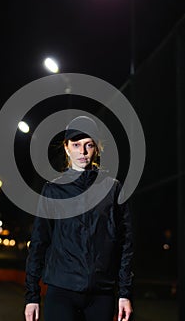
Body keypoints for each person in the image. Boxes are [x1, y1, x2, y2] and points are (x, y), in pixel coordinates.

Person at [24, 116, 134, 321]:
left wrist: (125, 293)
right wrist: (32, 296)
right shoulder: (53, 191)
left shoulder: (112, 188)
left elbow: (125, 244)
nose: (82, 152)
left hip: (101, 294)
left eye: (88, 145)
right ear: (66, 148)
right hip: (61, 292)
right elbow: (39, 244)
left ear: (96, 148)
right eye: (76, 145)